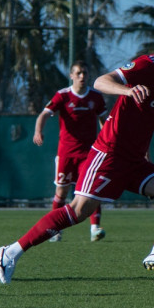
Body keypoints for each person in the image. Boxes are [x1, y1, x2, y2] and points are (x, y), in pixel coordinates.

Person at [0, 17, 154, 284]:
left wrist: (147, 155)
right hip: (109, 153)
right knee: (77, 212)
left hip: (134, 160)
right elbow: (100, 82)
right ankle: (10, 252)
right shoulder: (147, 65)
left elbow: (148, 122)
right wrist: (127, 91)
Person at [32, 60, 108, 242]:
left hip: (89, 153)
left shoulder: (96, 98)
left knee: (92, 191)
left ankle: (95, 229)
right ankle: (54, 230)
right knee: (62, 192)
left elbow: (104, 121)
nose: (82, 76)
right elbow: (44, 114)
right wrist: (38, 131)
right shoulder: (62, 96)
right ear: (71, 76)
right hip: (66, 153)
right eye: (79, 73)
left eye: (85, 73)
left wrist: (108, 140)